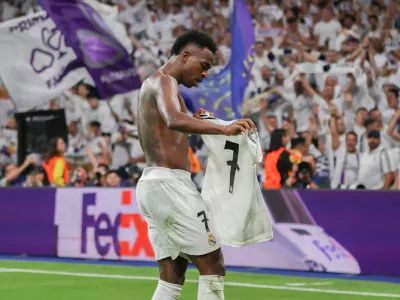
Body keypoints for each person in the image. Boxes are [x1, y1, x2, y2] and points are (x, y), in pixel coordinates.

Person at [136, 29, 256, 300]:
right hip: (170, 185)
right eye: (204, 67)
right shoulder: (164, 80)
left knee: (173, 275)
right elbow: (173, 120)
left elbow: (173, 125)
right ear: (185, 56)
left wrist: (206, 122)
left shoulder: (158, 85)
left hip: (154, 185)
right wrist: (223, 130)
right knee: (213, 265)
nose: (204, 75)